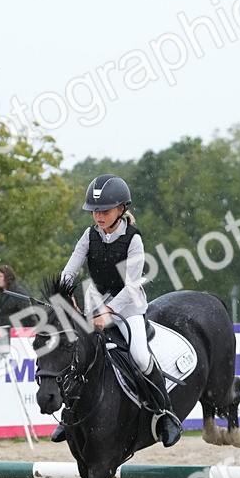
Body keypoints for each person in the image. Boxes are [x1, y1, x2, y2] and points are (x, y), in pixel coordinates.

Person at [55, 174, 182, 447]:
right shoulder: (90, 235)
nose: (98, 216)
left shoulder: (133, 240)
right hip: (96, 302)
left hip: (129, 306)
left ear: (121, 209)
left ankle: (166, 415)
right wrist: (63, 292)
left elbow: (132, 286)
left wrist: (108, 312)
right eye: (95, 211)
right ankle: (69, 414)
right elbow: (71, 268)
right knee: (79, 353)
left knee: (139, 355)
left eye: (104, 211)